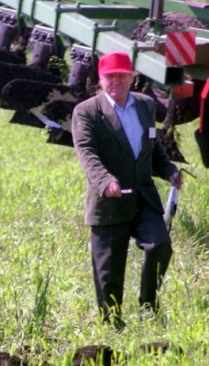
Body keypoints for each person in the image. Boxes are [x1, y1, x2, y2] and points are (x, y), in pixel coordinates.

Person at [70, 52, 181, 329]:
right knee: (109, 272)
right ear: (100, 79)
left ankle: (148, 307)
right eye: (110, 77)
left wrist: (168, 169)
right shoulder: (87, 111)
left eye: (121, 75)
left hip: (143, 196)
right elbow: (86, 153)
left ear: (132, 77)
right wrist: (105, 181)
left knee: (160, 244)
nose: (115, 81)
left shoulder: (144, 105)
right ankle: (112, 324)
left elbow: (152, 145)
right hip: (109, 201)